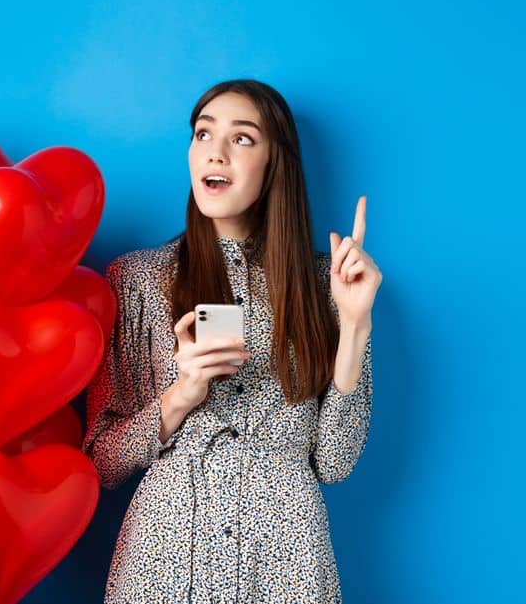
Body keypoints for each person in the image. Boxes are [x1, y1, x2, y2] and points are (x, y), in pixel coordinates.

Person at [81, 78, 382, 604]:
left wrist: (355, 324)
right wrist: (181, 393)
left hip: (287, 560)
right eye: (203, 134)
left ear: (274, 164)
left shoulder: (325, 284)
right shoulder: (137, 280)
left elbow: (334, 462)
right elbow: (100, 463)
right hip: (166, 559)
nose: (215, 151)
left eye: (242, 138)